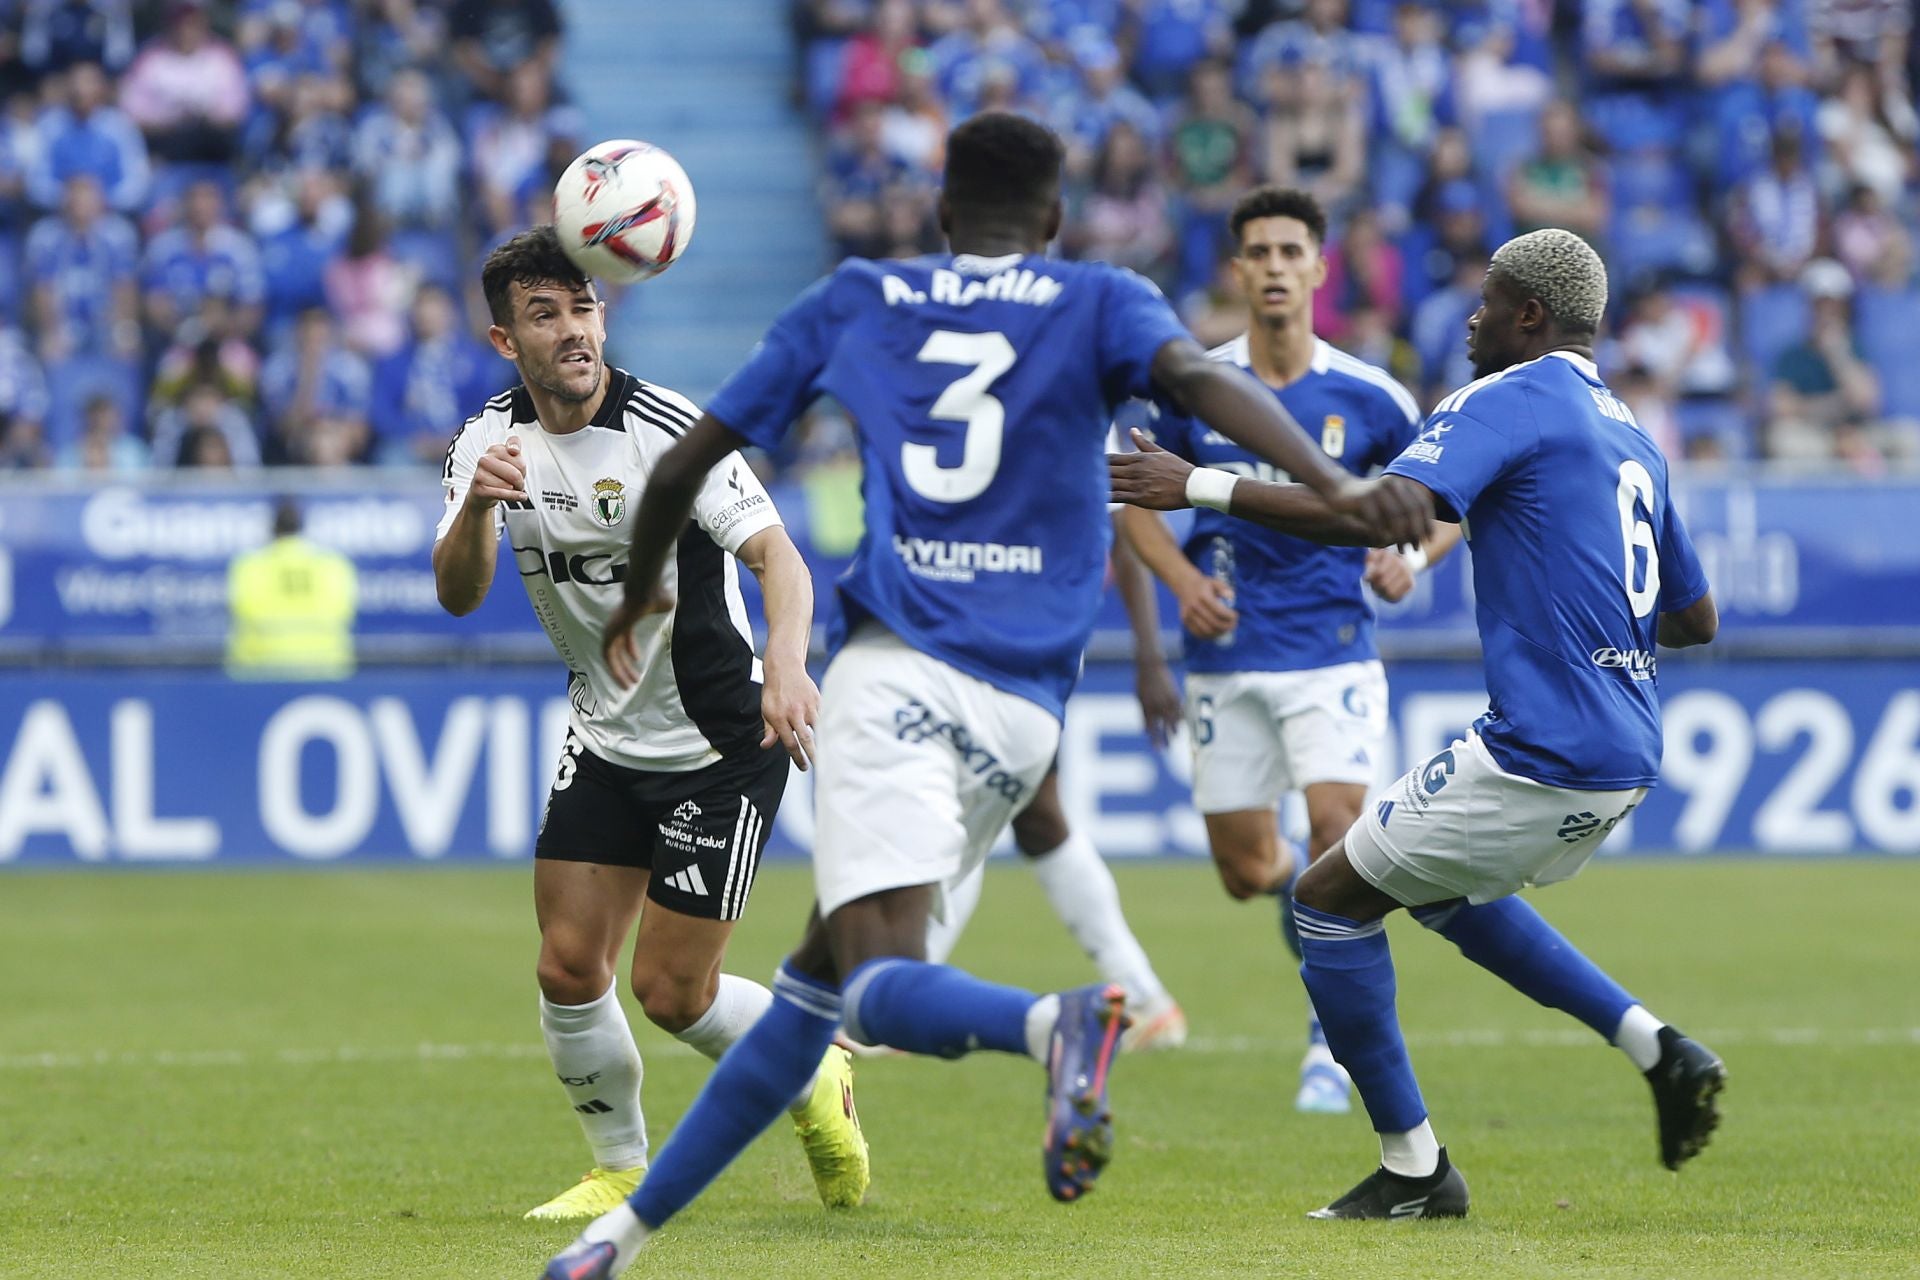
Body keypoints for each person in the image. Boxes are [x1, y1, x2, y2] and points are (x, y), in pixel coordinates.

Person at [544, 112, 1427, 1279]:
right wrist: (1336, 482)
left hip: (900, 668)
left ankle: (1051, 1022)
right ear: (1054, 222)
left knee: (872, 971)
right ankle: (622, 1238)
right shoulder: (1102, 298)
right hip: (1026, 710)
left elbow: (688, 458)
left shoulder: (861, 296)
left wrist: (635, 590)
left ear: (942, 215)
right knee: (816, 988)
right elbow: (1203, 381)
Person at [1109, 228, 1726, 1219]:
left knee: (1325, 900)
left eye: (1488, 301)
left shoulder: (1506, 396)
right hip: (1625, 749)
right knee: (1435, 893)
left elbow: (1380, 513)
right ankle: (1657, 1046)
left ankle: (1414, 1168)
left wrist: (1200, 484)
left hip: (1544, 745)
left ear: (1531, 316)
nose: (1472, 317)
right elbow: (1696, 618)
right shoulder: (1631, 436)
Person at [432, 227, 868, 1226]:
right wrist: (474, 515)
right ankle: (621, 1163)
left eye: (583, 306)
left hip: (719, 741)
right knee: (566, 965)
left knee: (673, 991)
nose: (573, 330)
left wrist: (789, 667)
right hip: (603, 733)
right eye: (545, 314)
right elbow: (459, 595)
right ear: (506, 340)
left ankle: (816, 1068)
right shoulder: (486, 441)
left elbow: (780, 559)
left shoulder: (673, 429)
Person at [1115, 185, 1458, 1113]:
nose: (1272, 267)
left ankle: (1329, 1047)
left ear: (1318, 267)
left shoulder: (1372, 395)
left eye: (1288, 252)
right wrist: (1184, 585)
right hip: (1227, 655)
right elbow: (1131, 502)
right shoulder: (1195, 386)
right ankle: (1299, 904)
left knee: (1337, 836)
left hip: (1333, 651)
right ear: (1238, 269)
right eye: (1256, 253)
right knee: (1245, 870)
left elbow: (1448, 500)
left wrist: (1411, 561)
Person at [919, 531, 1188, 1053]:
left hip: (1020, 643)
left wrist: (1150, 657)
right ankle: (1143, 996)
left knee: (978, 801)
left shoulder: (1078, 446)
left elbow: (1124, 533)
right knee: (1031, 816)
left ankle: (895, 985)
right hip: (980, 635)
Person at [226, 497, 356, 679]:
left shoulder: (250, 566)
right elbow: (344, 612)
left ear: (272, 528)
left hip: (262, 668)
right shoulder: (333, 565)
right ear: (303, 527)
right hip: (325, 665)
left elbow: (241, 611)